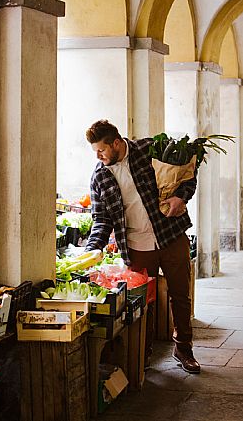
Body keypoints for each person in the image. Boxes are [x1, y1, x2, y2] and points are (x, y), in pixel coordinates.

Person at [84, 119, 200, 374]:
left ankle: (184, 349)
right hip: (136, 246)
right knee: (140, 304)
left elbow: (187, 174)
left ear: (116, 143)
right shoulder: (99, 177)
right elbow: (101, 220)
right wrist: (94, 248)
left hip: (170, 235)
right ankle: (143, 352)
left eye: (101, 150)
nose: (98, 156)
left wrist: (181, 197)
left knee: (180, 296)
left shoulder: (149, 150)